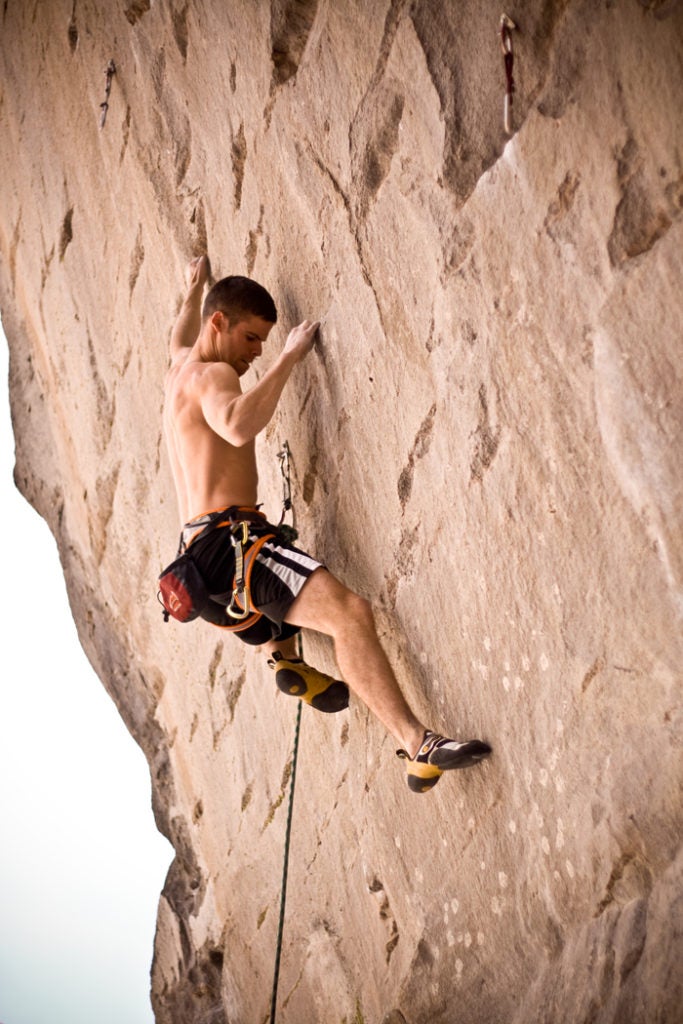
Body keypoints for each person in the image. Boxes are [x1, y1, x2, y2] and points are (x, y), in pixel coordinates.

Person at [162, 255, 491, 792]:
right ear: (218, 323)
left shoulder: (179, 368)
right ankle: (418, 744)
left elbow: (178, 336)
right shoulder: (214, 374)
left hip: (201, 567)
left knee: (283, 598)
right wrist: (289, 359)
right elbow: (238, 426)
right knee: (348, 613)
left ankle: (281, 655)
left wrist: (191, 292)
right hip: (234, 543)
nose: (255, 354)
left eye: (265, 344)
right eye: (251, 338)